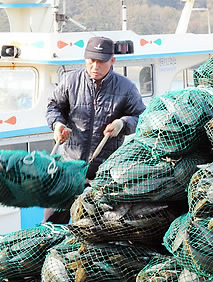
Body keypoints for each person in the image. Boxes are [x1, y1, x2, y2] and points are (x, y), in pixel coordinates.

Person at [45, 36, 145, 223]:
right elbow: (53, 107)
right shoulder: (69, 81)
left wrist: (122, 124)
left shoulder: (127, 87)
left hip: (106, 173)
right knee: (53, 221)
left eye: (101, 62)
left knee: (96, 227)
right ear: (85, 59)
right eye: (91, 61)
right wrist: (57, 124)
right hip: (70, 168)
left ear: (112, 61)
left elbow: (142, 117)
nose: (95, 67)